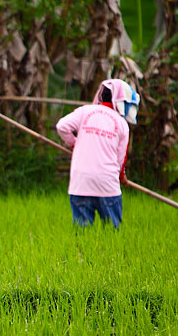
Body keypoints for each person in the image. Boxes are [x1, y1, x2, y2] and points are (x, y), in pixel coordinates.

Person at [56, 79, 140, 229]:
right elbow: (121, 160)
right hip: (107, 185)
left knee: (82, 234)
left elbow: (62, 126)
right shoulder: (122, 124)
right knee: (112, 233)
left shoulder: (85, 111)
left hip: (80, 183)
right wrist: (122, 177)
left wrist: (74, 144)